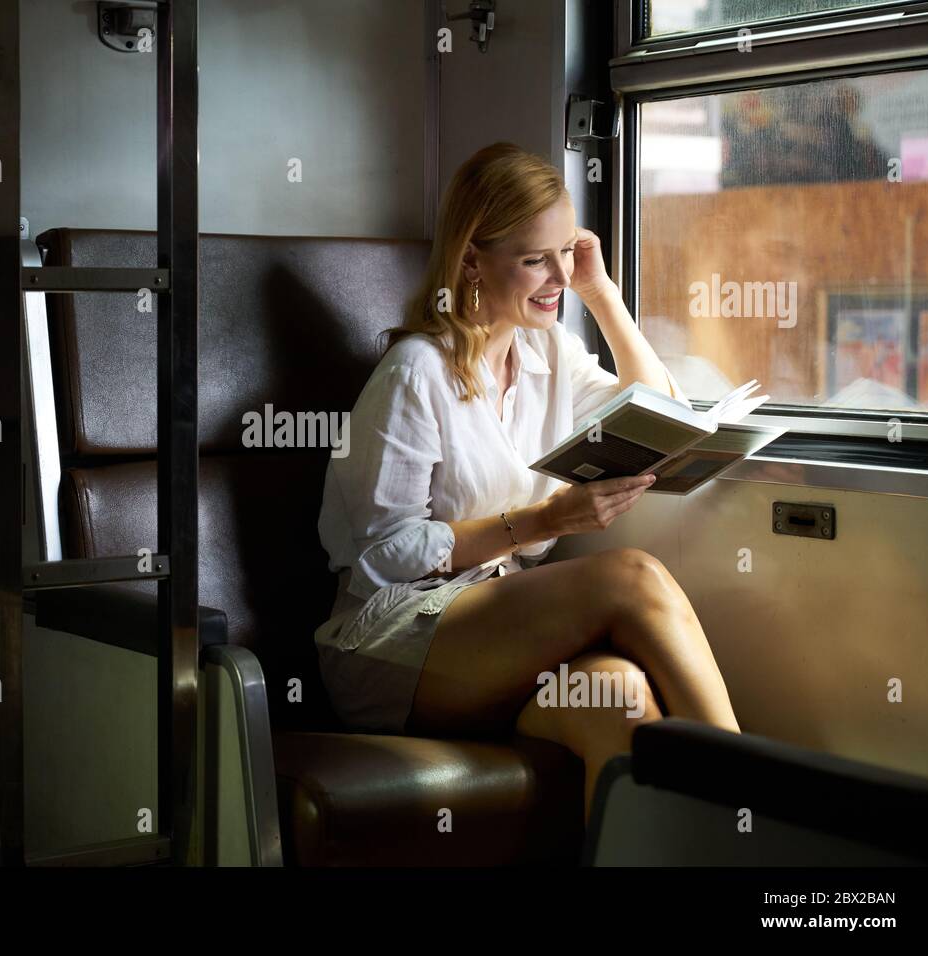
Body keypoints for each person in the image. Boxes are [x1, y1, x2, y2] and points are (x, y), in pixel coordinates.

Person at [314, 142, 741, 822]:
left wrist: (599, 293)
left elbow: (658, 411)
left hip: (497, 623)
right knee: (629, 578)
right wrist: (544, 523)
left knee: (621, 699)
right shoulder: (415, 375)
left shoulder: (546, 351)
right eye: (535, 258)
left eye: (567, 251)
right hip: (390, 638)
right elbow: (380, 558)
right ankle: (759, 807)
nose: (558, 276)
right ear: (473, 260)